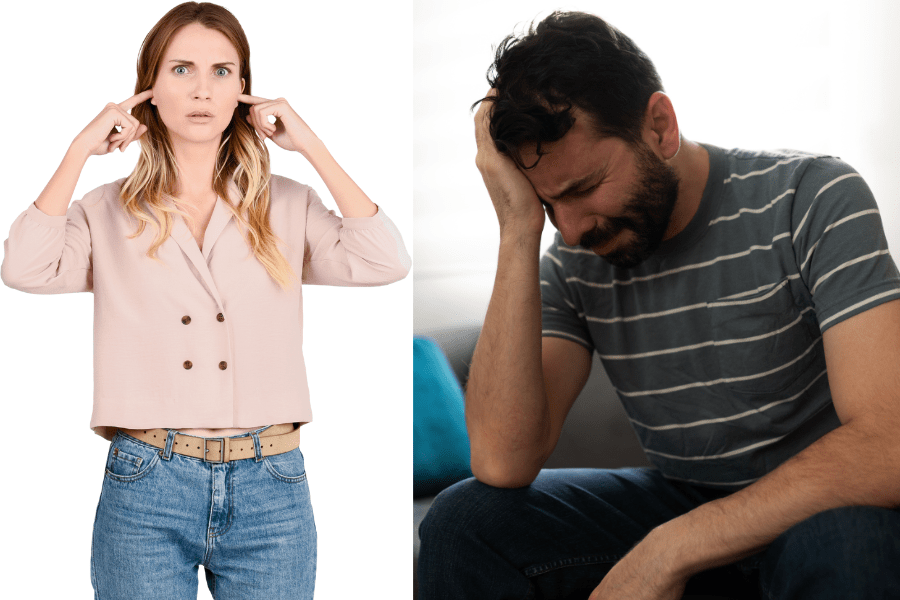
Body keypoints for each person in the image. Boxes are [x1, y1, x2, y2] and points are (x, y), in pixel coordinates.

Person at [417, 10, 900, 600]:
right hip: (682, 496)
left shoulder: (811, 197)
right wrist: (518, 227)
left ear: (660, 126)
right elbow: (502, 462)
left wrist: (674, 546)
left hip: (819, 512)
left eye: (584, 188)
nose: (569, 231)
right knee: (466, 521)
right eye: (548, 204)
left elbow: (888, 443)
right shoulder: (574, 261)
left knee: (854, 544)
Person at [0, 2, 409, 598]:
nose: (202, 89)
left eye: (222, 71)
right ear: (149, 90)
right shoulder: (104, 210)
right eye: (181, 69)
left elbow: (384, 260)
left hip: (272, 483)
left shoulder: (288, 203)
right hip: (146, 482)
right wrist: (77, 152)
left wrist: (312, 146)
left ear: (243, 89)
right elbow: (24, 268)